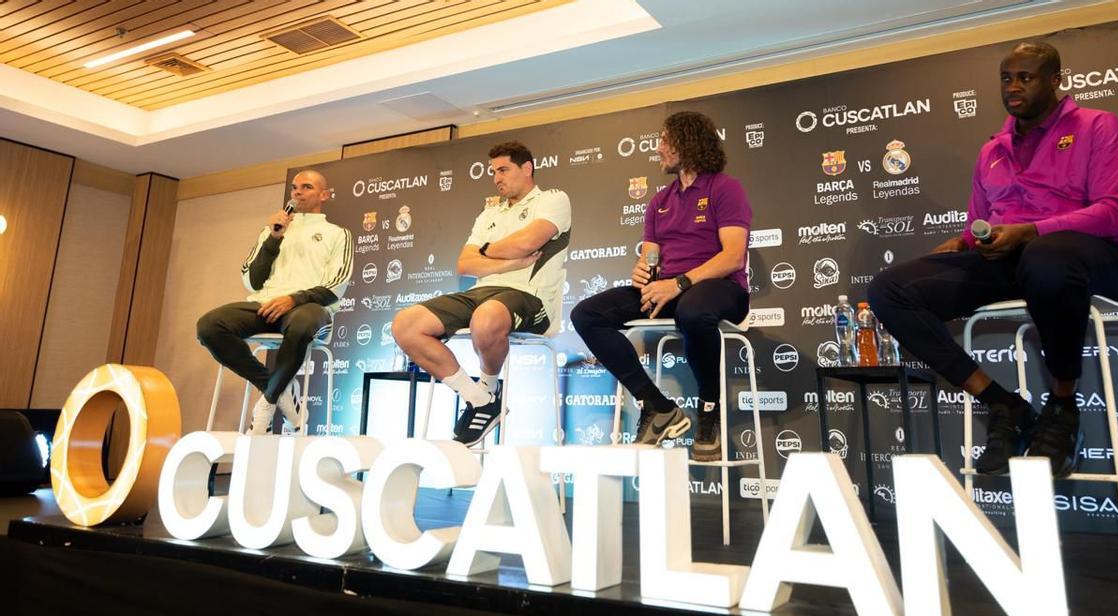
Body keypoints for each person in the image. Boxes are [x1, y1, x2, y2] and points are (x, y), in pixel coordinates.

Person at [868, 42, 1118, 478]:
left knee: (1046, 257)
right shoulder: (992, 149)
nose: (1013, 87)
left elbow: (1113, 212)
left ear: (1055, 81)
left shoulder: (1097, 126)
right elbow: (982, 221)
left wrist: (1031, 232)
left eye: (1025, 77)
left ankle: (1063, 407)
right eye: (1006, 78)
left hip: (1089, 258)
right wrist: (968, 242)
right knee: (889, 289)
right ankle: (1002, 404)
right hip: (1014, 260)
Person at [571, 111, 752, 462]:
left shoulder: (725, 188)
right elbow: (651, 259)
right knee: (587, 314)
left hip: (721, 289)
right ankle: (657, 405)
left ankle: (709, 410)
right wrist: (643, 273)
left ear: (689, 143)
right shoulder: (659, 202)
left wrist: (679, 283)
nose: (659, 148)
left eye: (666, 141)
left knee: (693, 308)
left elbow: (732, 257)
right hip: (672, 288)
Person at [392, 142, 571, 446]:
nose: (496, 178)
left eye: (503, 170)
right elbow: (464, 264)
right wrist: (510, 261)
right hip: (481, 292)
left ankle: (489, 383)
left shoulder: (553, 200)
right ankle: (480, 399)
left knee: (485, 319)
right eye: (493, 172)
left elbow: (527, 242)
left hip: (531, 295)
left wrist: (487, 250)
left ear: (526, 168)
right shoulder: (488, 213)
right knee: (405, 325)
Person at [197, 169, 353, 435]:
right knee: (210, 325)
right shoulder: (272, 230)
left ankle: (267, 405)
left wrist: (293, 299)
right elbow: (252, 281)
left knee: (303, 322)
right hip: (266, 304)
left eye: (306, 187)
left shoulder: (338, 234)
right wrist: (273, 238)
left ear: (324, 195)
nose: (297, 192)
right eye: (294, 187)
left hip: (308, 308)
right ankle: (279, 391)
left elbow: (335, 286)